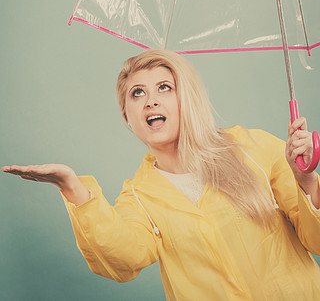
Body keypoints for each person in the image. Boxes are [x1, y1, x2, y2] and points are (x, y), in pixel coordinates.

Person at [2, 49, 320, 300]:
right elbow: (120, 258)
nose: (151, 99)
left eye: (164, 87)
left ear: (187, 99)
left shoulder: (252, 148)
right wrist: (71, 186)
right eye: (137, 93)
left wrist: (305, 179)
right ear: (128, 118)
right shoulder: (139, 197)